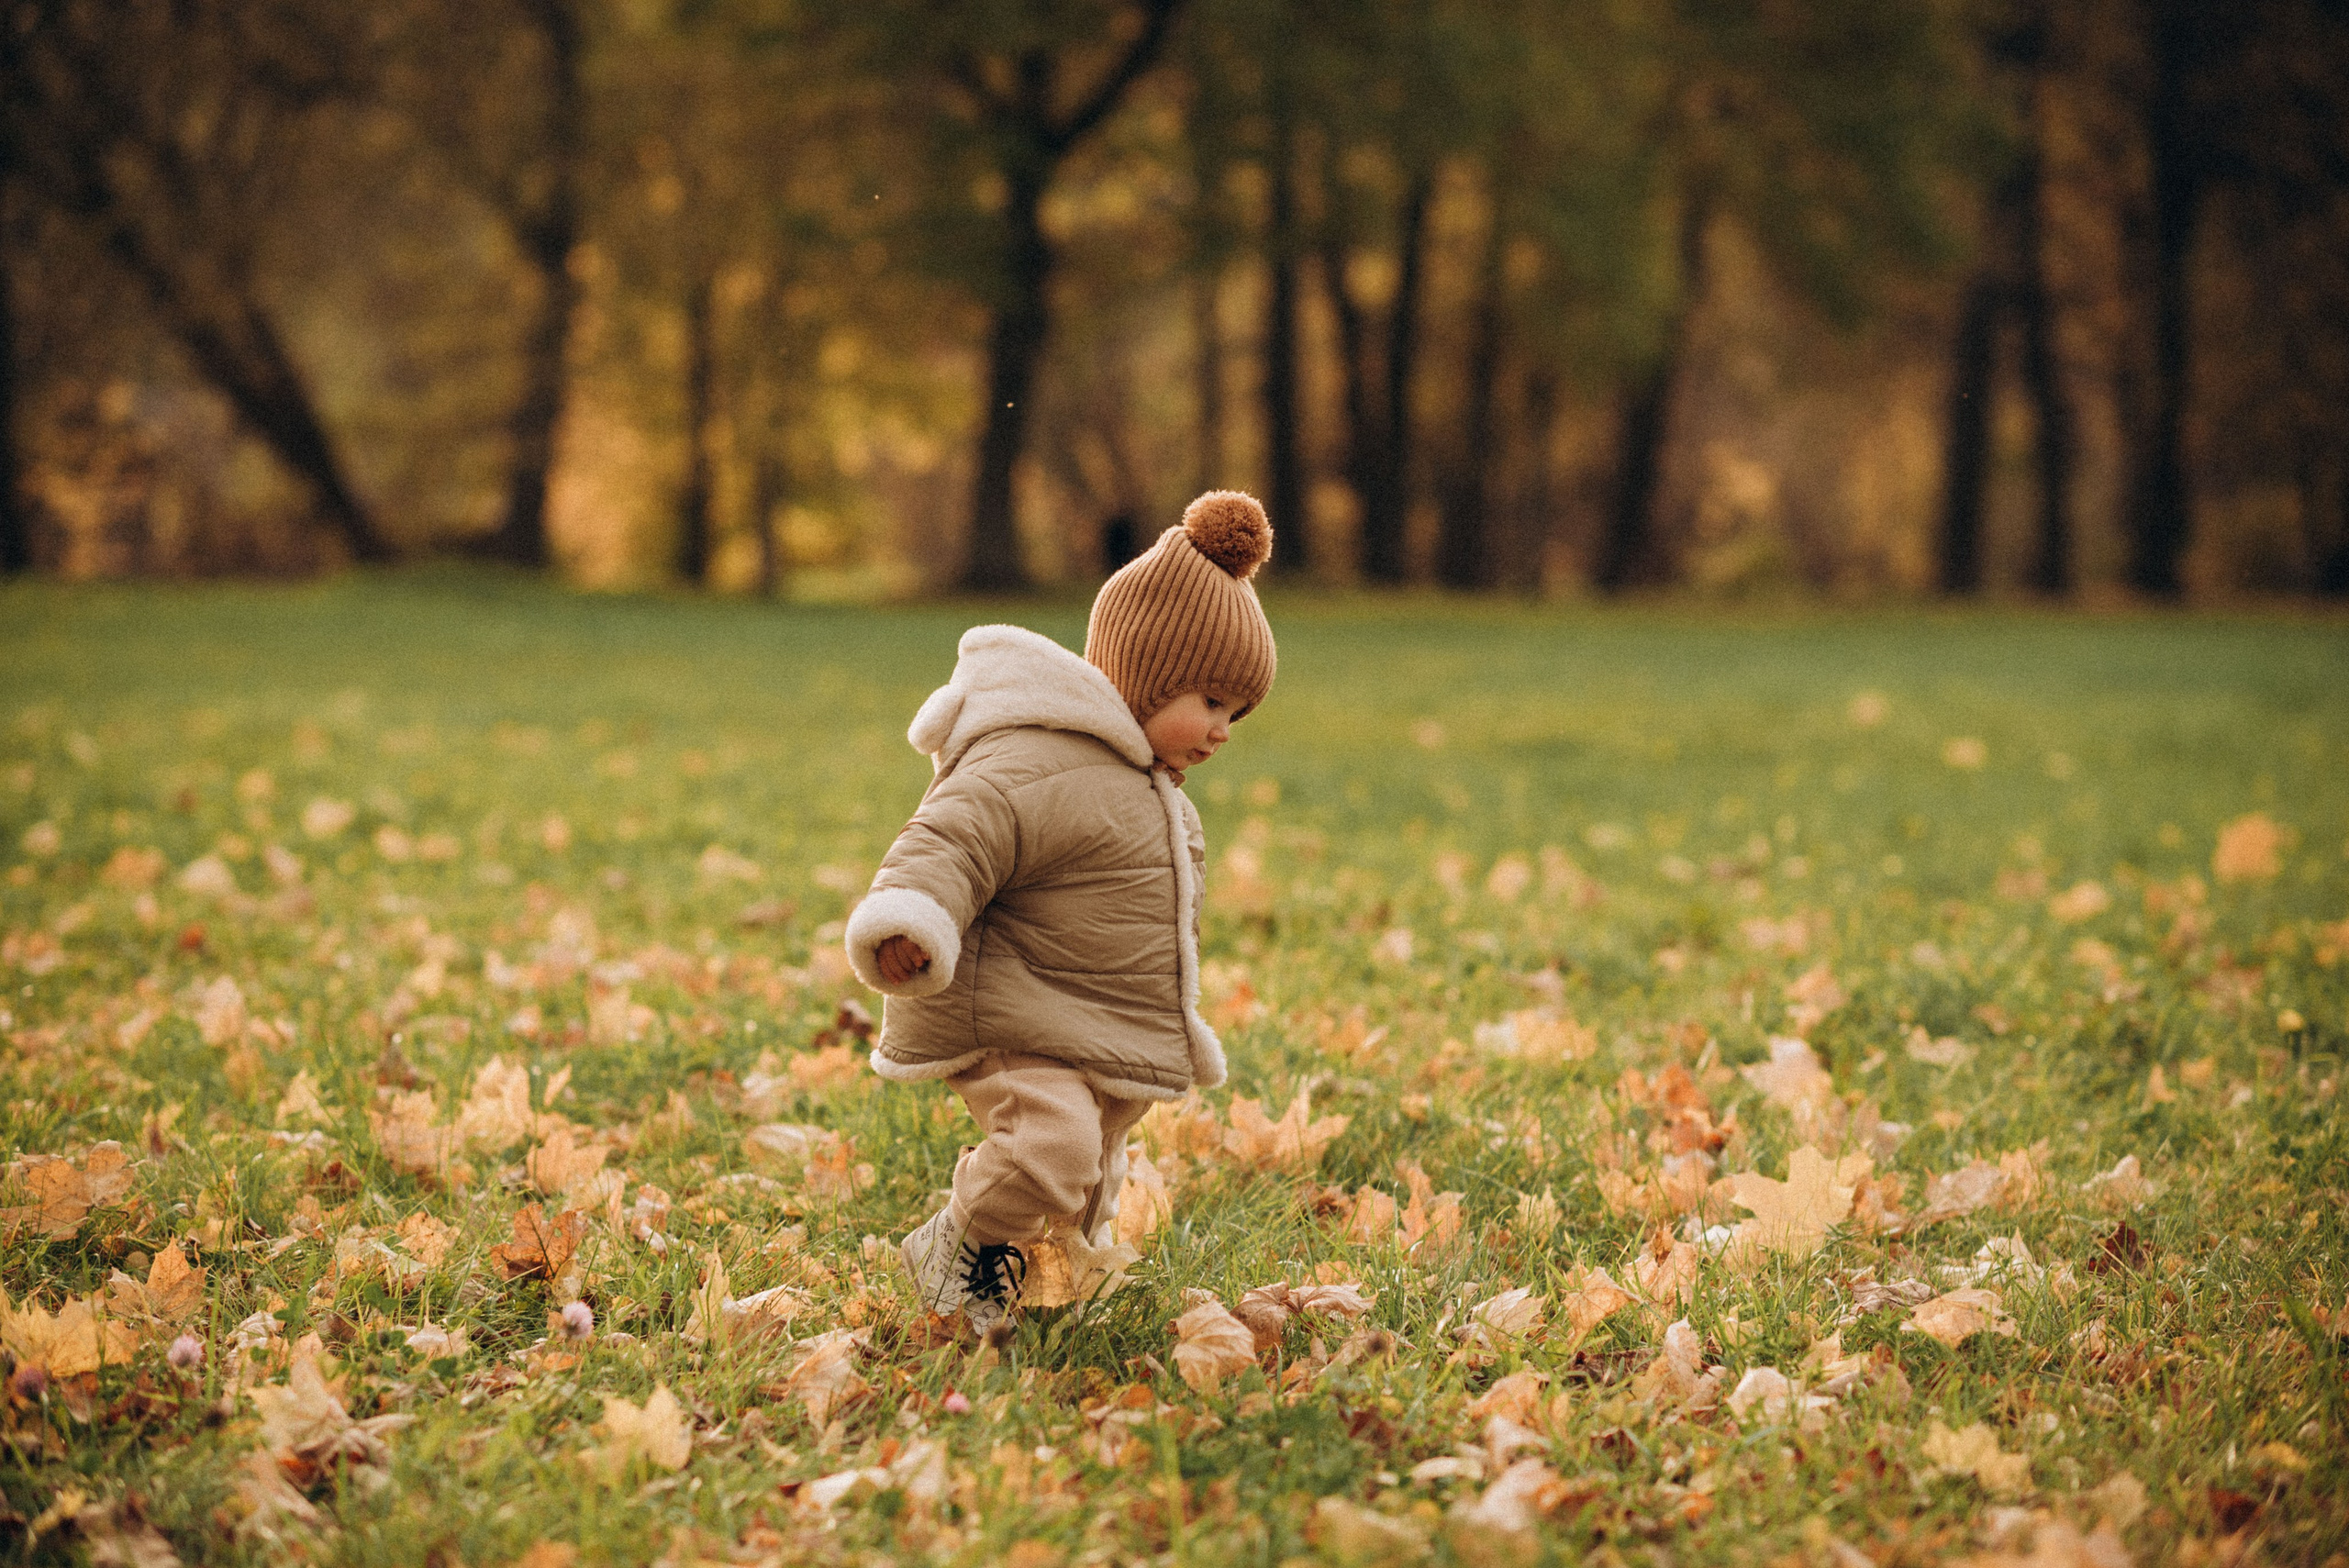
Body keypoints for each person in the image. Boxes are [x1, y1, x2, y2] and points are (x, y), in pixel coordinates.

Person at [843, 491, 1278, 1333]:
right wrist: (910, 915)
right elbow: (956, 833)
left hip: (1090, 1022)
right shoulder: (1035, 755)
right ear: (1148, 674)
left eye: (1237, 713)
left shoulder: (1157, 796)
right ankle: (950, 1246)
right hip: (1012, 1008)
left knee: (1091, 1165)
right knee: (1054, 1146)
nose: (1223, 730)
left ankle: (1043, 1275)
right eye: (1211, 701)